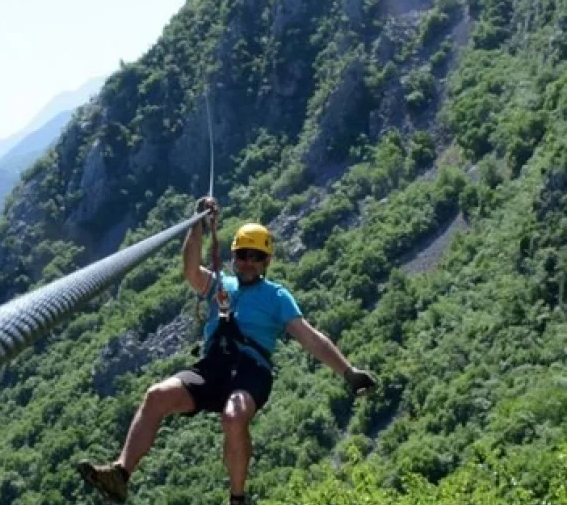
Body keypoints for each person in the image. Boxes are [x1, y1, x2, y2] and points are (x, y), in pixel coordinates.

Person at [77, 196, 378, 504]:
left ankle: (237, 499)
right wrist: (197, 224)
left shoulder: (276, 296)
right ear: (233, 256)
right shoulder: (221, 283)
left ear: (266, 262)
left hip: (251, 371)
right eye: (242, 255)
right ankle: (120, 475)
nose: (247, 261)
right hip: (213, 367)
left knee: (233, 416)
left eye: (255, 256)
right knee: (156, 396)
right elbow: (191, 269)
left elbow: (309, 337)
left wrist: (348, 371)